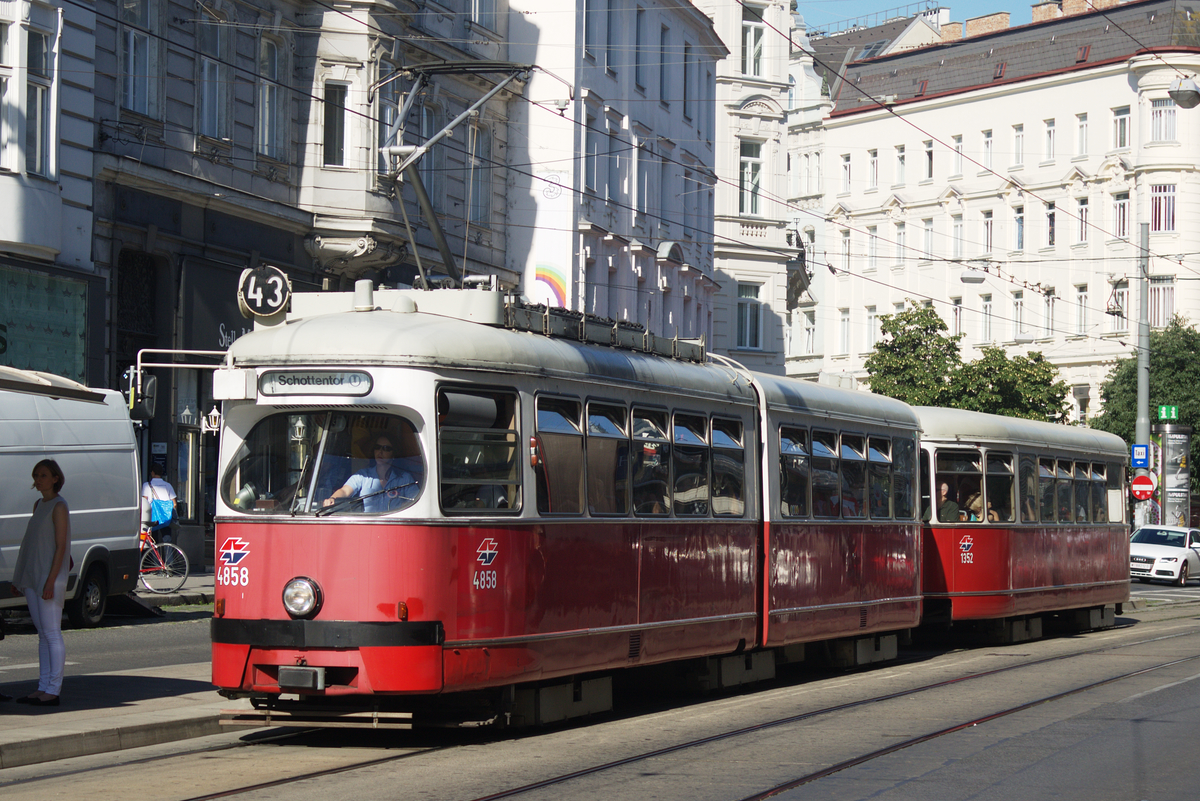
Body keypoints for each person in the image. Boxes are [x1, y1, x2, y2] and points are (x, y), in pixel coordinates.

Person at [11, 459, 71, 708]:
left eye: (43, 475)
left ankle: (53, 690)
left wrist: (50, 581)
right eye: (36, 475)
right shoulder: (39, 505)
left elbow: (60, 547)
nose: (38, 480)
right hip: (34, 576)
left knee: (52, 633)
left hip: (49, 578)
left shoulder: (59, 506)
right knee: (43, 634)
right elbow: (31, 543)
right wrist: (21, 576)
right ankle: (43, 686)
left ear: (55, 478)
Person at [323, 433, 418, 513]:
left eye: (386, 448)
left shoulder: (405, 478)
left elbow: (416, 501)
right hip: (368, 525)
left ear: (394, 453)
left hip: (393, 525)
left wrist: (404, 506)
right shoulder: (363, 475)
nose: (380, 451)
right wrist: (332, 499)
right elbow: (345, 491)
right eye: (377, 447)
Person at [142, 462, 177, 542]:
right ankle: (168, 550)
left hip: (153, 517)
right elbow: (174, 504)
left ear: (152, 473)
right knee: (167, 539)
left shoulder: (147, 485)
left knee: (154, 540)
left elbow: (144, 502)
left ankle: (155, 550)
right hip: (166, 518)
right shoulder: (168, 485)